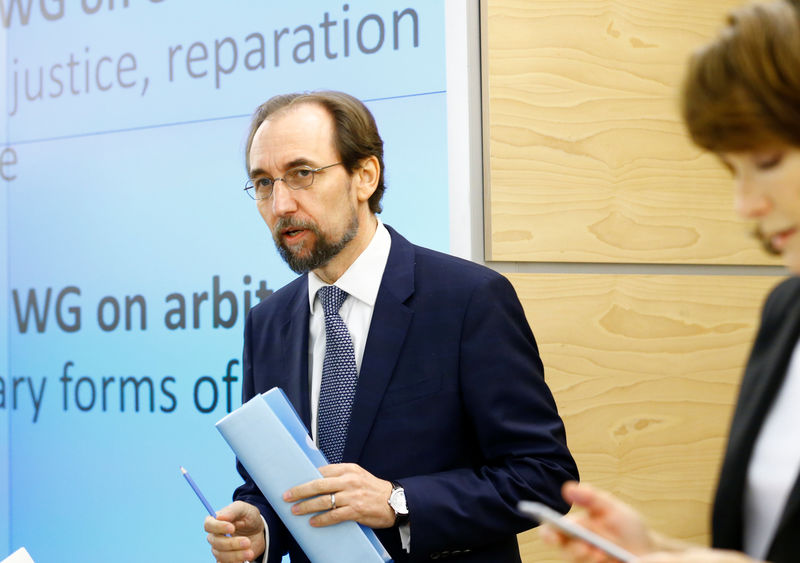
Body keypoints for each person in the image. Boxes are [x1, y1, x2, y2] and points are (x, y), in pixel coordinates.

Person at [202, 90, 579, 562]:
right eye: (263, 182)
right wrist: (262, 526)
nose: (280, 205)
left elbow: (543, 478)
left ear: (365, 176)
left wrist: (397, 502)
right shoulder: (267, 322)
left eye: (302, 174)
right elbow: (271, 483)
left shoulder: (468, 300)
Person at [541, 1, 800, 562]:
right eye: (732, 171)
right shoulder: (788, 310)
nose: (745, 205)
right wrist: (660, 550)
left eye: (769, 159)